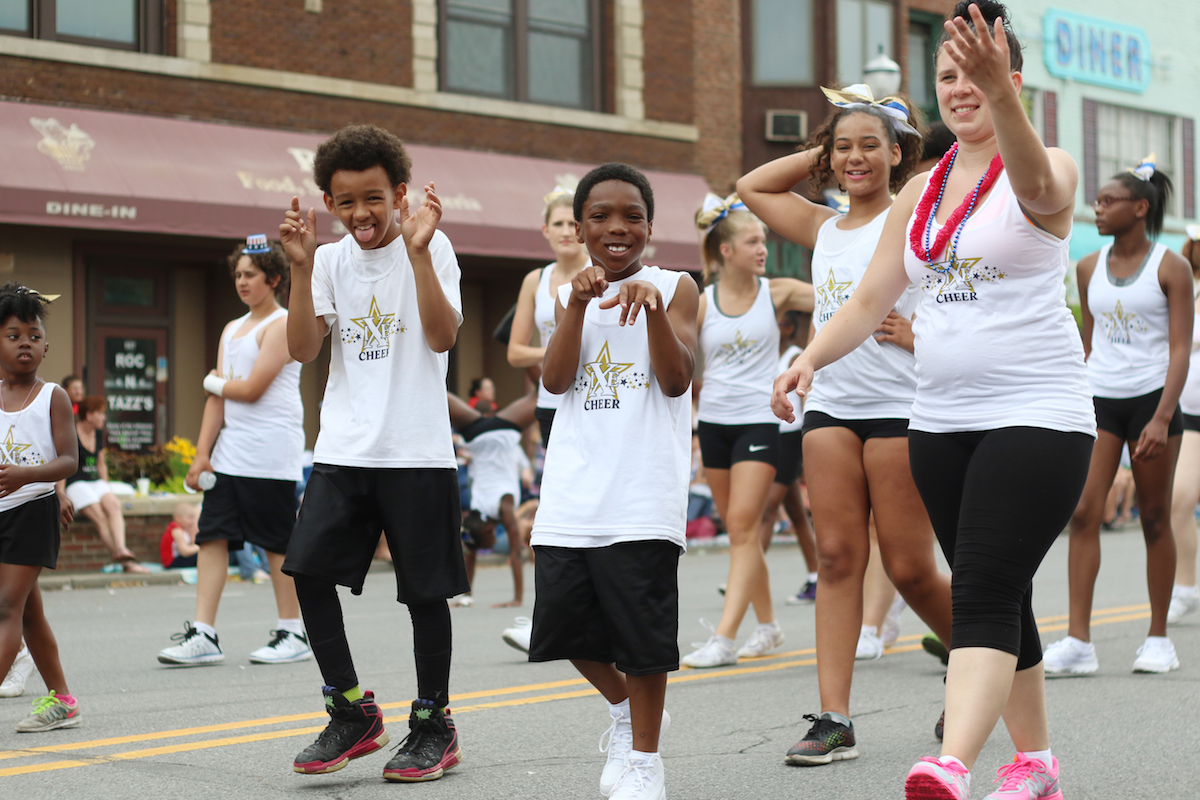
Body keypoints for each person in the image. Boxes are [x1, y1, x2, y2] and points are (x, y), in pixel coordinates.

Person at [773, 3, 1094, 797]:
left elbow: (1037, 184)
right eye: (947, 76)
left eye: (977, 74)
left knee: (981, 585)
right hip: (941, 421)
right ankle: (1037, 763)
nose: (960, 87)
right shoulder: (921, 189)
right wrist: (808, 359)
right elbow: (865, 301)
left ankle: (952, 758)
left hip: (1037, 415)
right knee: (1000, 589)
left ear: (1009, 82)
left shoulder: (1046, 166)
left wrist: (1004, 100)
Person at [740, 81, 953, 766]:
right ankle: (834, 718)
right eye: (844, 149)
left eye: (871, 146)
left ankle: (990, 662)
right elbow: (752, 187)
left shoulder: (920, 218)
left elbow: (958, 306)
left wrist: (915, 333)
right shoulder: (824, 225)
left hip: (902, 409)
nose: (855, 158)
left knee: (911, 568)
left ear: (900, 153)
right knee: (836, 558)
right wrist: (824, 150)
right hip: (830, 405)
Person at [280, 124, 467, 781]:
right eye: (345, 201)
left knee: (424, 592)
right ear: (328, 202)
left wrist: (417, 253)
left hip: (415, 450)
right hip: (345, 446)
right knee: (305, 570)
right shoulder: (328, 260)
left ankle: (433, 724)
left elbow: (442, 338)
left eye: (373, 198)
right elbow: (303, 350)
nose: (360, 213)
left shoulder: (432, 245)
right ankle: (350, 709)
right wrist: (300, 269)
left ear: (400, 193)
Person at [530, 162, 698, 800]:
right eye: (600, 216)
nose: (616, 228)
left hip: (641, 494)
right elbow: (555, 378)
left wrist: (653, 310)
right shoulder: (565, 292)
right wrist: (575, 305)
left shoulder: (676, 285)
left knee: (643, 639)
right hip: (573, 492)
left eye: (631, 215)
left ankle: (645, 761)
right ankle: (626, 711)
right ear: (579, 228)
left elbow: (678, 377)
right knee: (563, 628)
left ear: (650, 225)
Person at [1044, 155, 1192, 676]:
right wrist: (1070, 397)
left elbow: (1180, 349)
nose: (1098, 209)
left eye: (1108, 202)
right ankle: (1078, 641)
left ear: (1140, 208)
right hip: (1100, 400)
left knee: (1154, 517)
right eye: (1098, 201)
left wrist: (1161, 417)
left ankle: (1158, 638)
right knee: (1084, 512)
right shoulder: (1087, 267)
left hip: (1153, 401)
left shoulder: (1172, 266)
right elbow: (1086, 341)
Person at [156, 235, 310, 669]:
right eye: (237, 275)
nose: (241, 282)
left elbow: (253, 388)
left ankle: (292, 631)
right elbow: (219, 399)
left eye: (250, 275)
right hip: (229, 455)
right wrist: (201, 454)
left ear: (274, 278)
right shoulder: (231, 329)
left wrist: (212, 381)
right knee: (212, 535)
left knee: (276, 543)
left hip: (271, 453)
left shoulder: (280, 324)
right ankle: (204, 633)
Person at [679, 194, 813, 669]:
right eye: (752, 241)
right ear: (724, 252)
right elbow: (678, 357)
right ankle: (769, 625)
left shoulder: (778, 293)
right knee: (743, 532)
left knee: (741, 526)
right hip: (713, 422)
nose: (763, 249)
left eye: (764, 240)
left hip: (760, 421)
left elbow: (842, 296)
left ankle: (724, 638)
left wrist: (810, 355)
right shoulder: (700, 301)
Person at [0, 284, 81, 732]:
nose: (24, 343)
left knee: (5, 607)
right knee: (28, 612)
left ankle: (62, 700)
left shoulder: (53, 397)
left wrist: (34, 480)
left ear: (46, 347)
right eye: (13, 335)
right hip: (4, 510)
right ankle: (63, 701)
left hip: (33, 509)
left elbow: (69, 459)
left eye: (33, 335)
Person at [508, 187, 592, 444]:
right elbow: (515, 353)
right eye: (558, 224)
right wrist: (556, 352)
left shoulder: (601, 272)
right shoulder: (535, 280)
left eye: (571, 224)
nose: (565, 231)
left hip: (594, 399)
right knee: (557, 483)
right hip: (550, 402)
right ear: (546, 230)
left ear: (581, 230)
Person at [447, 388, 537, 608]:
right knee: (435, 391)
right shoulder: (477, 511)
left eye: (488, 543)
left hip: (502, 431)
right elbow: (472, 550)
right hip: (477, 432)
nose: (491, 546)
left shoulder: (502, 508)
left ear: (488, 530)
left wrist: (517, 599)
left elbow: (516, 554)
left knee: (539, 393)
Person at [762, 311, 819, 604]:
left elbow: (806, 395)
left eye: (781, 322)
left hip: (791, 437)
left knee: (767, 507)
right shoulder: (765, 357)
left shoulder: (798, 356)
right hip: (771, 434)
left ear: (788, 328)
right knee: (796, 513)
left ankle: (747, 578)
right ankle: (816, 577)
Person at [61, 396, 148, 573]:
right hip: (76, 483)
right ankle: (127, 563)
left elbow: (101, 463)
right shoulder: (72, 433)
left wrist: (105, 487)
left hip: (95, 482)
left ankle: (121, 549)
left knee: (114, 505)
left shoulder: (99, 433)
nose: (104, 417)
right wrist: (60, 495)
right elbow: (63, 463)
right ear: (89, 415)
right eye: (100, 413)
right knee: (100, 518)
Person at [1169, 225, 1200, 623]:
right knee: (1179, 499)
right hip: (1189, 415)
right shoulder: (1181, 286)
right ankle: (1186, 587)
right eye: (1194, 242)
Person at [160, 502, 201, 569]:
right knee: (199, 556)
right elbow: (184, 551)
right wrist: (199, 547)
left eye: (193, 518)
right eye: (190, 517)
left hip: (177, 560)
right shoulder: (177, 531)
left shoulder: (183, 529)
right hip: (172, 563)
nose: (193, 521)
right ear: (178, 518)